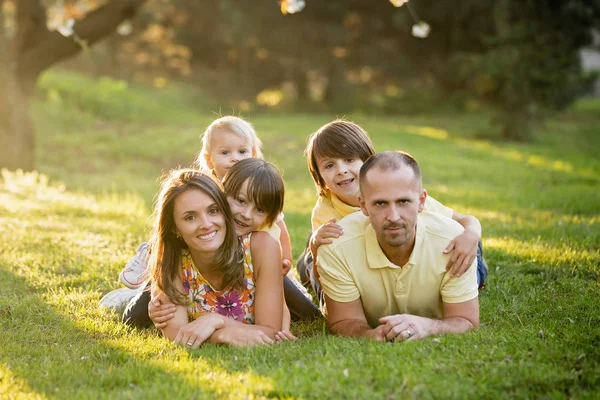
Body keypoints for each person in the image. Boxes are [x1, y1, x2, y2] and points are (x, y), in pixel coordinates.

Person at [100, 116, 302, 316]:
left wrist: (284, 259)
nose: (235, 158)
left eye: (242, 151)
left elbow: (280, 229)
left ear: (254, 154)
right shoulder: (210, 190)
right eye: (225, 152)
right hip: (200, 261)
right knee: (150, 302)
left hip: (256, 262)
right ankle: (143, 272)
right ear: (209, 159)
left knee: (291, 299)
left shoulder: (260, 192)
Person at [296, 120, 487, 306]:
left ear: (368, 162)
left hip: (410, 255)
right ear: (319, 176)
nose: (341, 170)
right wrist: (314, 247)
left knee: (467, 255)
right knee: (313, 256)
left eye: (349, 160)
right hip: (360, 261)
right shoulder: (325, 210)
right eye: (329, 165)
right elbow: (328, 267)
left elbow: (467, 221)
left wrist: (471, 235)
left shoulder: (399, 194)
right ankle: (306, 258)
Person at [317, 151, 479, 341]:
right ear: (363, 205)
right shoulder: (336, 246)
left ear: (421, 201)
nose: (393, 216)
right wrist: (368, 333)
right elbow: (342, 320)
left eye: (403, 201)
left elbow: (466, 320)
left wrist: (428, 326)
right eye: (380, 204)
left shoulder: (454, 243)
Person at [144, 159, 321, 331]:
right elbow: (178, 335)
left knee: (307, 312)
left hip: (271, 272)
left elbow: (270, 330)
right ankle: (131, 295)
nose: (245, 214)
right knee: (138, 312)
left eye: (212, 211)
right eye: (241, 201)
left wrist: (215, 322)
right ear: (224, 193)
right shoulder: (173, 254)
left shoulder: (262, 243)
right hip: (178, 259)